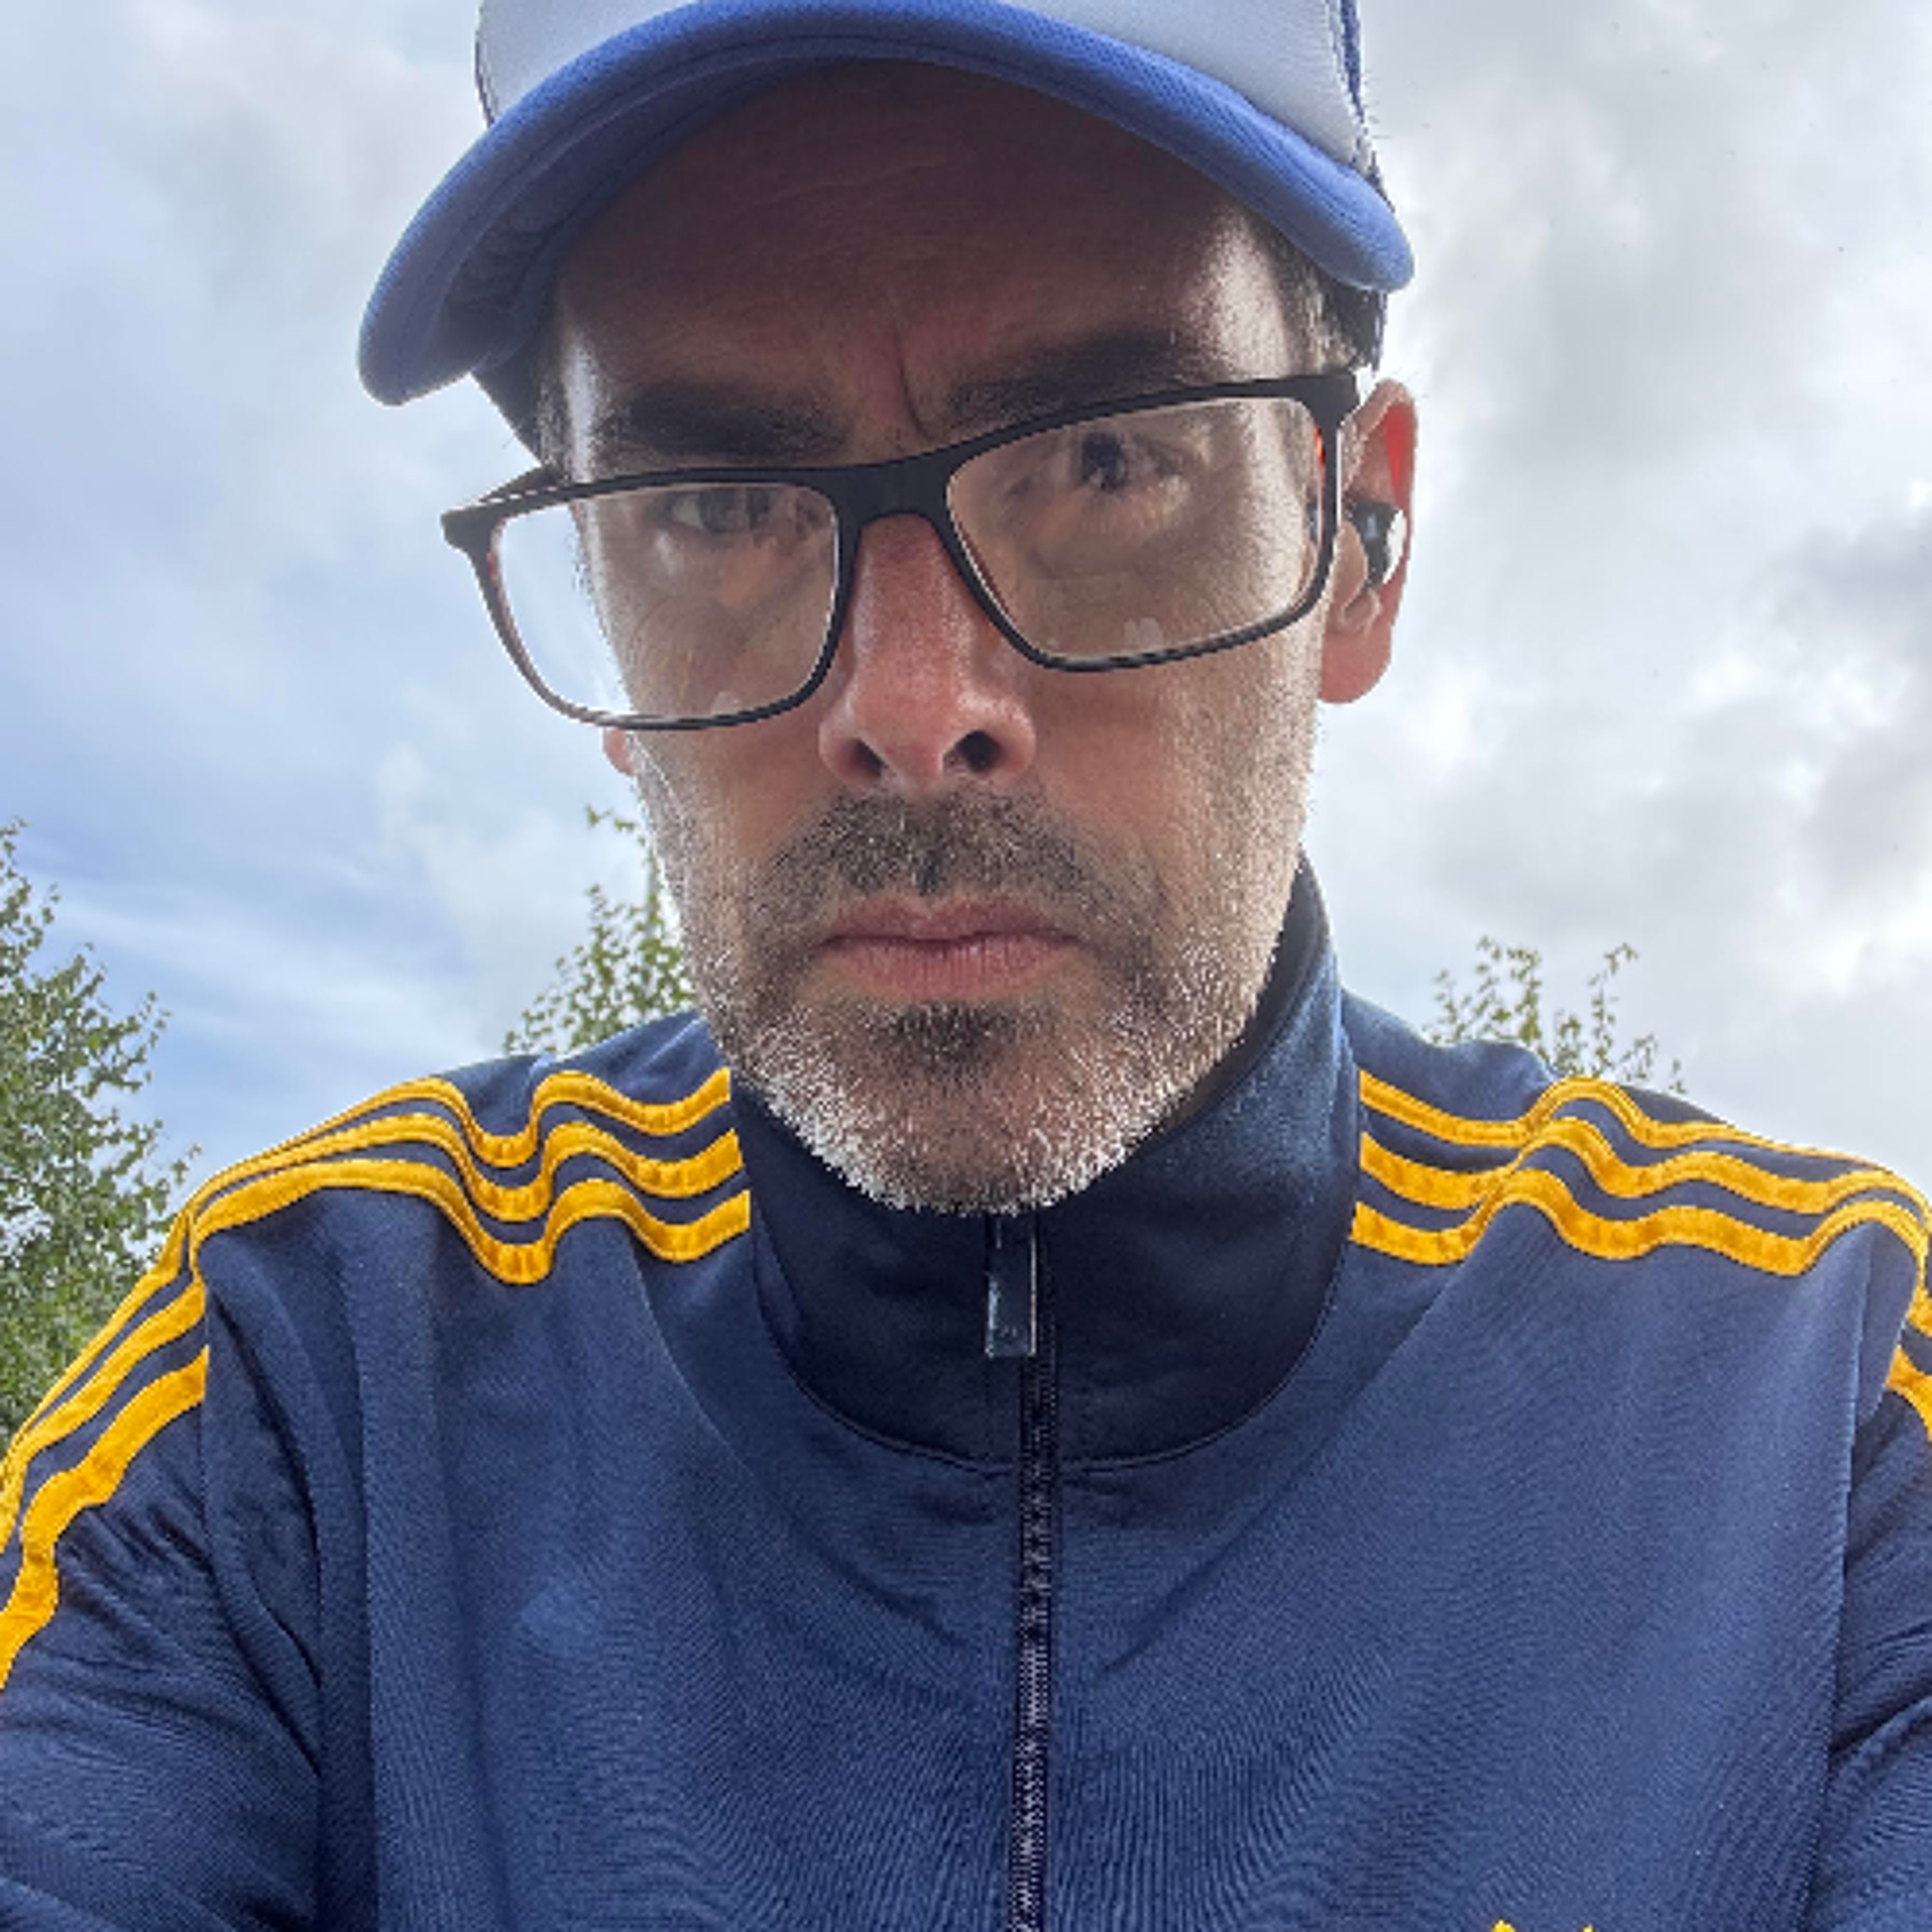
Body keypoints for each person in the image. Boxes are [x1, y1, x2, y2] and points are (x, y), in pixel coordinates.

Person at [2, 2, 1928, 1926]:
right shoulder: (301, 1389)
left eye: (1104, 459)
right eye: (715, 507)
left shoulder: (1833, 1415)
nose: (916, 711)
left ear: (1359, 541)